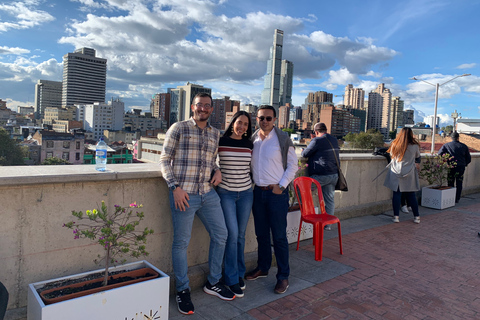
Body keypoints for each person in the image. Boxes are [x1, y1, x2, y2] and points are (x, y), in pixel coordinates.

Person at [160, 93, 234, 315]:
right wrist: (175, 187)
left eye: (207, 106)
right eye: (199, 105)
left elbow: (212, 160)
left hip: (208, 194)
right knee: (181, 243)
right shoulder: (179, 128)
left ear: (212, 109)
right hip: (184, 195)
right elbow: (164, 159)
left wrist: (218, 170)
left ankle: (213, 282)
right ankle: (182, 290)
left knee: (221, 235)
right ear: (193, 107)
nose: (203, 108)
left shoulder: (214, 133)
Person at [245, 105, 298, 294]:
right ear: (256, 119)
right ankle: (263, 267)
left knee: (279, 237)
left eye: (268, 118)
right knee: (261, 234)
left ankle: (283, 276)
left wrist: (281, 186)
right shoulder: (252, 140)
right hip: (258, 193)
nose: (264, 121)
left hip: (276, 194)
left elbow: (293, 165)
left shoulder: (283, 139)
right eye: (261, 118)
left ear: (275, 120)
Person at [217, 111, 254, 298]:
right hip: (226, 194)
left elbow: (253, 168)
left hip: (246, 193)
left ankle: (239, 273)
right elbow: (210, 162)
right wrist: (216, 170)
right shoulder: (221, 142)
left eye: (246, 124)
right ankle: (230, 278)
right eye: (239, 123)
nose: (242, 127)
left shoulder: (249, 145)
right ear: (232, 123)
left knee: (240, 235)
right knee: (231, 235)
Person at [301, 122, 339, 229]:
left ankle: (307, 220)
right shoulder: (334, 139)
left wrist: (312, 140)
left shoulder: (317, 140)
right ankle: (328, 225)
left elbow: (305, 154)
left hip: (321, 176)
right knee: (329, 200)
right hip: (333, 175)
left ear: (316, 132)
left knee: (303, 191)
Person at [384, 127, 421, 224]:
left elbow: (391, 155)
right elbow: (417, 156)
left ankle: (396, 216)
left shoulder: (395, 144)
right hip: (409, 172)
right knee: (411, 195)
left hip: (396, 172)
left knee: (396, 194)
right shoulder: (415, 146)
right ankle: (416, 217)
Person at [438, 131, 471, 203]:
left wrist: (446, 159)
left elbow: (439, 154)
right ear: (458, 138)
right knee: (459, 182)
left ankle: (451, 197)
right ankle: (457, 198)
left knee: (450, 182)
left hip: (451, 166)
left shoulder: (447, 145)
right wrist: (464, 164)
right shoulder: (463, 146)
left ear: (451, 138)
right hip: (461, 166)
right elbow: (468, 158)